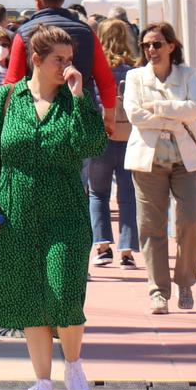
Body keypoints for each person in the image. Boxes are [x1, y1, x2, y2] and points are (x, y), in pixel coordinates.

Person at [0, 24, 108, 390]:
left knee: (64, 295)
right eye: (59, 60)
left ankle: (73, 369)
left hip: (66, 215)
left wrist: (77, 98)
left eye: (70, 60)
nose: (67, 67)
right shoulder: (7, 100)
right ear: (36, 60)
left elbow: (92, 143)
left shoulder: (75, 99)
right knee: (28, 302)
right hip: (16, 215)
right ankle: (42, 385)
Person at [124, 21, 196, 315]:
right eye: (146, 44)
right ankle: (158, 291)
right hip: (148, 162)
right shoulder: (135, 77)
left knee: (190, 222)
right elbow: (134, 114)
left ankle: (185, 282)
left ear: (171, 46)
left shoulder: (187, 74)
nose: (151, 49)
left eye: (157, 44)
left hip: (185, 160)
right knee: (150, 227)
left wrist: (158, 108)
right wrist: (176, 111)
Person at [5, 0, 120, 136]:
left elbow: (12, 82)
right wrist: (109, 117)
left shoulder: (24, 33)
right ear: (63, 0)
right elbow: (105, 80)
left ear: (38, 0)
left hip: (38, 116)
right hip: (81, 115)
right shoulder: (87, 32)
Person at [83, 19, 138, 269]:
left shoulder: (95, 69)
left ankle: (103, 246)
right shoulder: (135, 69)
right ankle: (127, 250)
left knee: (98, 193)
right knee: (128, 194)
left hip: (100, 135)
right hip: (129, 136)